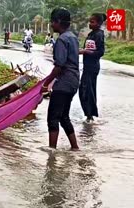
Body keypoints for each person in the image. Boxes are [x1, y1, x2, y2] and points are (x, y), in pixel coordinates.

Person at [41, 8, 80, 150]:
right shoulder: (73, 37)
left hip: (63, 83)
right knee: (64, 117)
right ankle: (75, 148)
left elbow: (59, 66)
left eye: (52, 22)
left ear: (57, 22)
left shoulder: (62, 40)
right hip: (74, 82)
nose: (51, 25)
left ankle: (51, 151)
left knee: (53, 117)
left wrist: (46, 83)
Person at [79, 13, 106, 123]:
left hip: (92, 67)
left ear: (99, 23)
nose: (90, 24)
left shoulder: (98, 35)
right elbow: (89, 48)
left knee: (86, 91)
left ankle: (90, 116)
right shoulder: (91, 34)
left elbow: (100, 52)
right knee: (86, 90)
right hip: (87, 66)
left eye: (92, 22)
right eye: (89, 21)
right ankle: (89, 115)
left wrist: (85, 51)